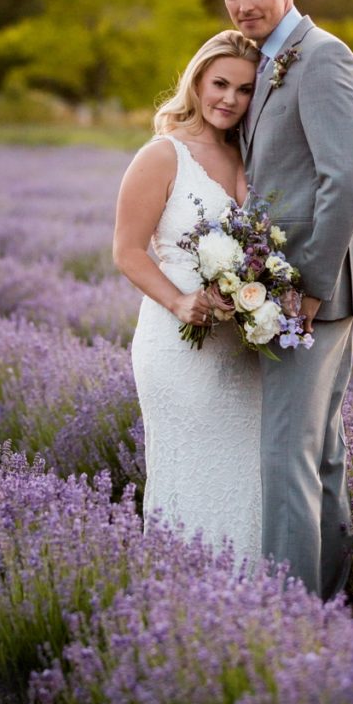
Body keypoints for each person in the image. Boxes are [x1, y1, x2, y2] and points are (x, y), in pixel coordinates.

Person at [216, 0, 353, 601]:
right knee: (319, 458)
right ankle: (330, 606)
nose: (244, 2)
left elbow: (344, 181)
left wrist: (309, 288)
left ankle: (288, 621)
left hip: (315, 291)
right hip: (286, 287)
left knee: (285, 458)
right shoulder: (266, 60)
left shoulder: (322, 58)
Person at [112, 29, 264, 562]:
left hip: (240, 350)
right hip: (178, 346)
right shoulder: (163, 154)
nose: (229, 99)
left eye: (244, 90)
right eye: (220, 83)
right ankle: (184, 597)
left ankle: (250, 603)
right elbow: (127, 251)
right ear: (197, 81)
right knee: (190, 477)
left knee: (246, 478)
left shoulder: (246, 155)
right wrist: (180, 302)